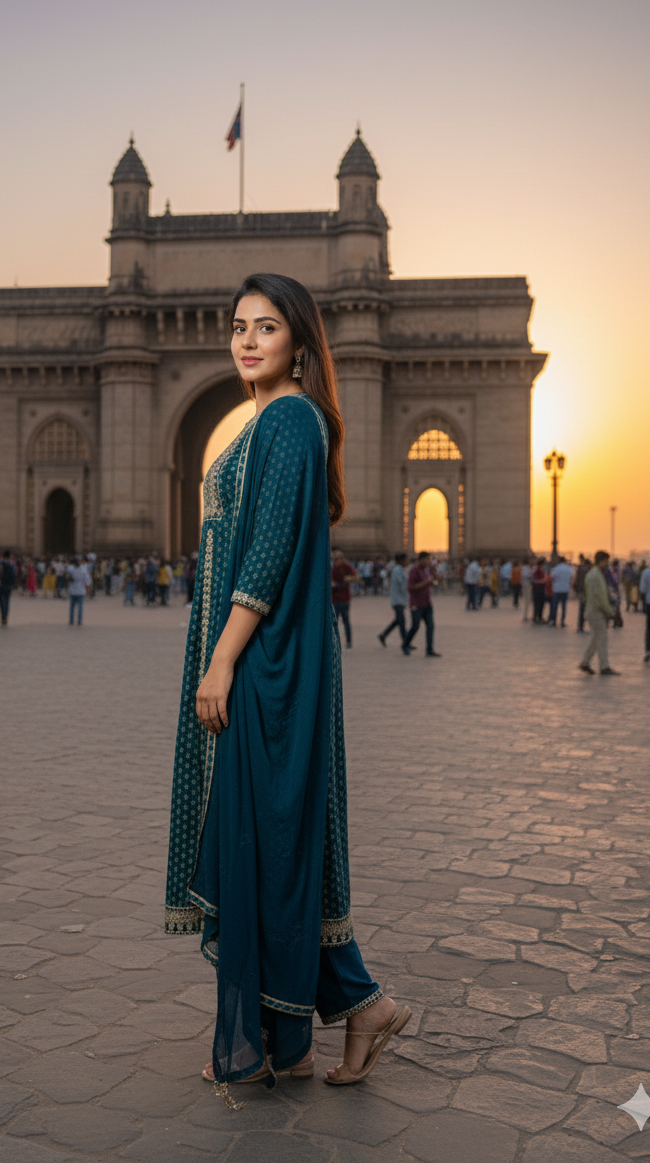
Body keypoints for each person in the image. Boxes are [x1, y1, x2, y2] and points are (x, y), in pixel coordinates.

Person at [166, 273, 409, 1098]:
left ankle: (292, 1031)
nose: (245, 340)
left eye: (266, 327)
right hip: (272, 662)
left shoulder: (291, 418)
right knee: (274, 844)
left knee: (262, 842)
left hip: (269, 667)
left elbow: (266, 552)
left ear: (299, 343)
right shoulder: (275, 420)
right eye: (236, 325)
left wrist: (223, 658)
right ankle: (309, 1034)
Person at [579, 550, 620, 676]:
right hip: (596, 611)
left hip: (593, 610)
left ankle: (585, 662)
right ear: (602, 560)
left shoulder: (594, 574)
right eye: (606, 561)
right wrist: (609, 611)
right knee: (601, 639)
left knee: (596, 638)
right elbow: (600, 596)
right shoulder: (596, 575)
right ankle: (604, 666)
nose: (607, 564)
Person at [403, 551, 441, 657]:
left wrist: (433, 582)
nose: (428, 562)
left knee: (430, 626)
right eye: (427, 559)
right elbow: (411, 587)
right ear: (421, 559)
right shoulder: (413, 571)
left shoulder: (426, 571)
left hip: (427, 603)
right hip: (416, 604)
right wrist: (427, 582)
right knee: (415, 626)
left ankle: (429, 649)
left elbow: (427, 585)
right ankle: (405, 644)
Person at [378, 553, 407, 648]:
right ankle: (405, 642)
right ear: (402, 560)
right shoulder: (398, 570)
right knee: (401, 621)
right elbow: (401, 584)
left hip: (399, 599)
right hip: (397, 600)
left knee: (398, 621)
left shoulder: (399, 569)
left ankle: (383, 635)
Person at [331, 548, 358, 650]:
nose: (337, 560)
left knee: (345, 621)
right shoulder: (334, 569)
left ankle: (349, 641)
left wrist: (347, 580)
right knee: (335, 622)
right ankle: (334, 641)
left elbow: (355, 577)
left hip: (344, 599)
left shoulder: (347, 567)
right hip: (335, 599)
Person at [548, 557, 574, 627]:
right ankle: (562, 621)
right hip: (565, 589)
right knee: (564, 606)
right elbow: (572, 578)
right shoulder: (568, 569)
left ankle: (553, 620)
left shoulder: (556, 569)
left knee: (554, 606)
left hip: (557, 589)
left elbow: (552, 577)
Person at [0, 550, 17, 626]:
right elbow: (14, 574)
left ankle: (3, 615)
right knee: (7, 601)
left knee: (1, 601)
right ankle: (5, 616)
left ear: (3, 556)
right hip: (8, 585)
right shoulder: (12, 564)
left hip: (0, 584)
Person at [66, 556, 91, 624]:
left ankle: (73, 620)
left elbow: (86, 580)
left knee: (73, 607)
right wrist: (88, 590)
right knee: (78, 607)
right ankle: (77, 620)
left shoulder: (72, 570)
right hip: (78, 589)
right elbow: (87, 581)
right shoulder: (82, 570)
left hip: (76, 589)